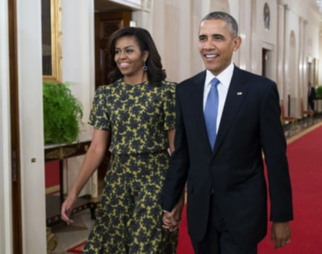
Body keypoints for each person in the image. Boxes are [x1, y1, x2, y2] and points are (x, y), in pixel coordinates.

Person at [162, 11, 293, 254]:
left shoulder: (260, 91)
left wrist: (281, 215)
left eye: (217, 38)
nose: (207, 46)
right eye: (203, 38)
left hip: (242, 211)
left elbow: (276, 159)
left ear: (236, 43)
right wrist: (171, 201)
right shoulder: (185, 91)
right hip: (201, 211)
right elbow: (181, 154)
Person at [60, 27, 183, 253]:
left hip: (154, 179)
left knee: (146, 246)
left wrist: (178, 197)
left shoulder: (167, 92)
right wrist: (74, 193)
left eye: (128, 50)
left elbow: (177, 150)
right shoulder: (106, 94)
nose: (121, 57)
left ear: (145, 55)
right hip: (117, 180)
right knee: (109, 245)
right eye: (117, 52)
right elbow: (97, 149)